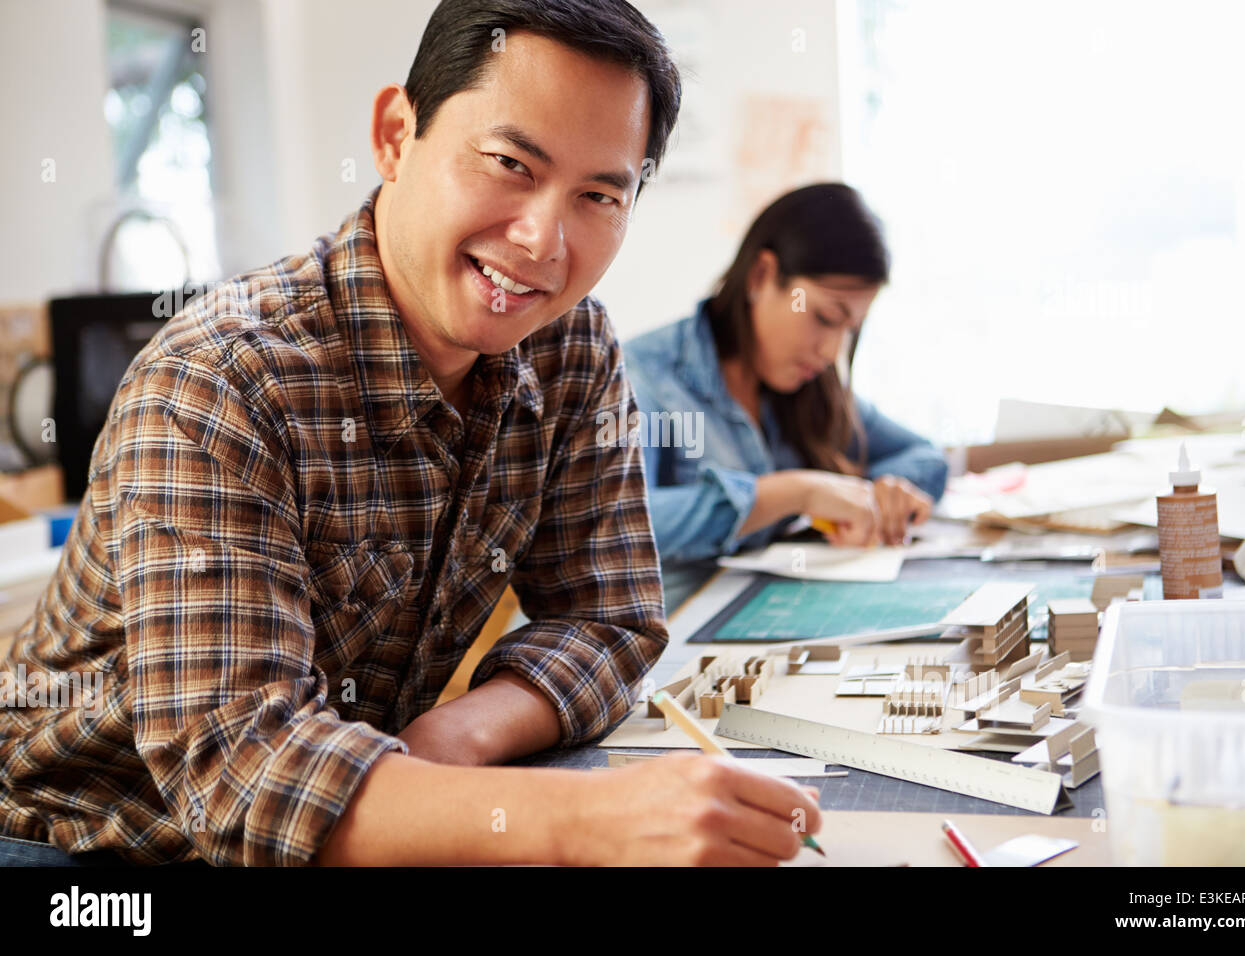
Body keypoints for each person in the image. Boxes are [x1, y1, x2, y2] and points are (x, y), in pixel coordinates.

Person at [0, 0, 820, 867]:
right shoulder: (222, 380)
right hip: (85, 845)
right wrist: (583, 820)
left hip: (352, 807)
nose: (544, 241)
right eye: (510, 163)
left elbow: (612, 619)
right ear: (396, 135)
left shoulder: (569, 345)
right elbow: (243, 773)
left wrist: (457, 737)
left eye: (598, 195)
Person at [624, 183, 949, 613]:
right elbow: (619, 523)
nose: (831, 351)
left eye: (849, 329)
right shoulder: (644, 374)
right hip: (657, 647)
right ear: (762, 276)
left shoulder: (811, 389)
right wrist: (794, 492)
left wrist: (876, 497)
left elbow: (927, 456)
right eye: (825, 317)